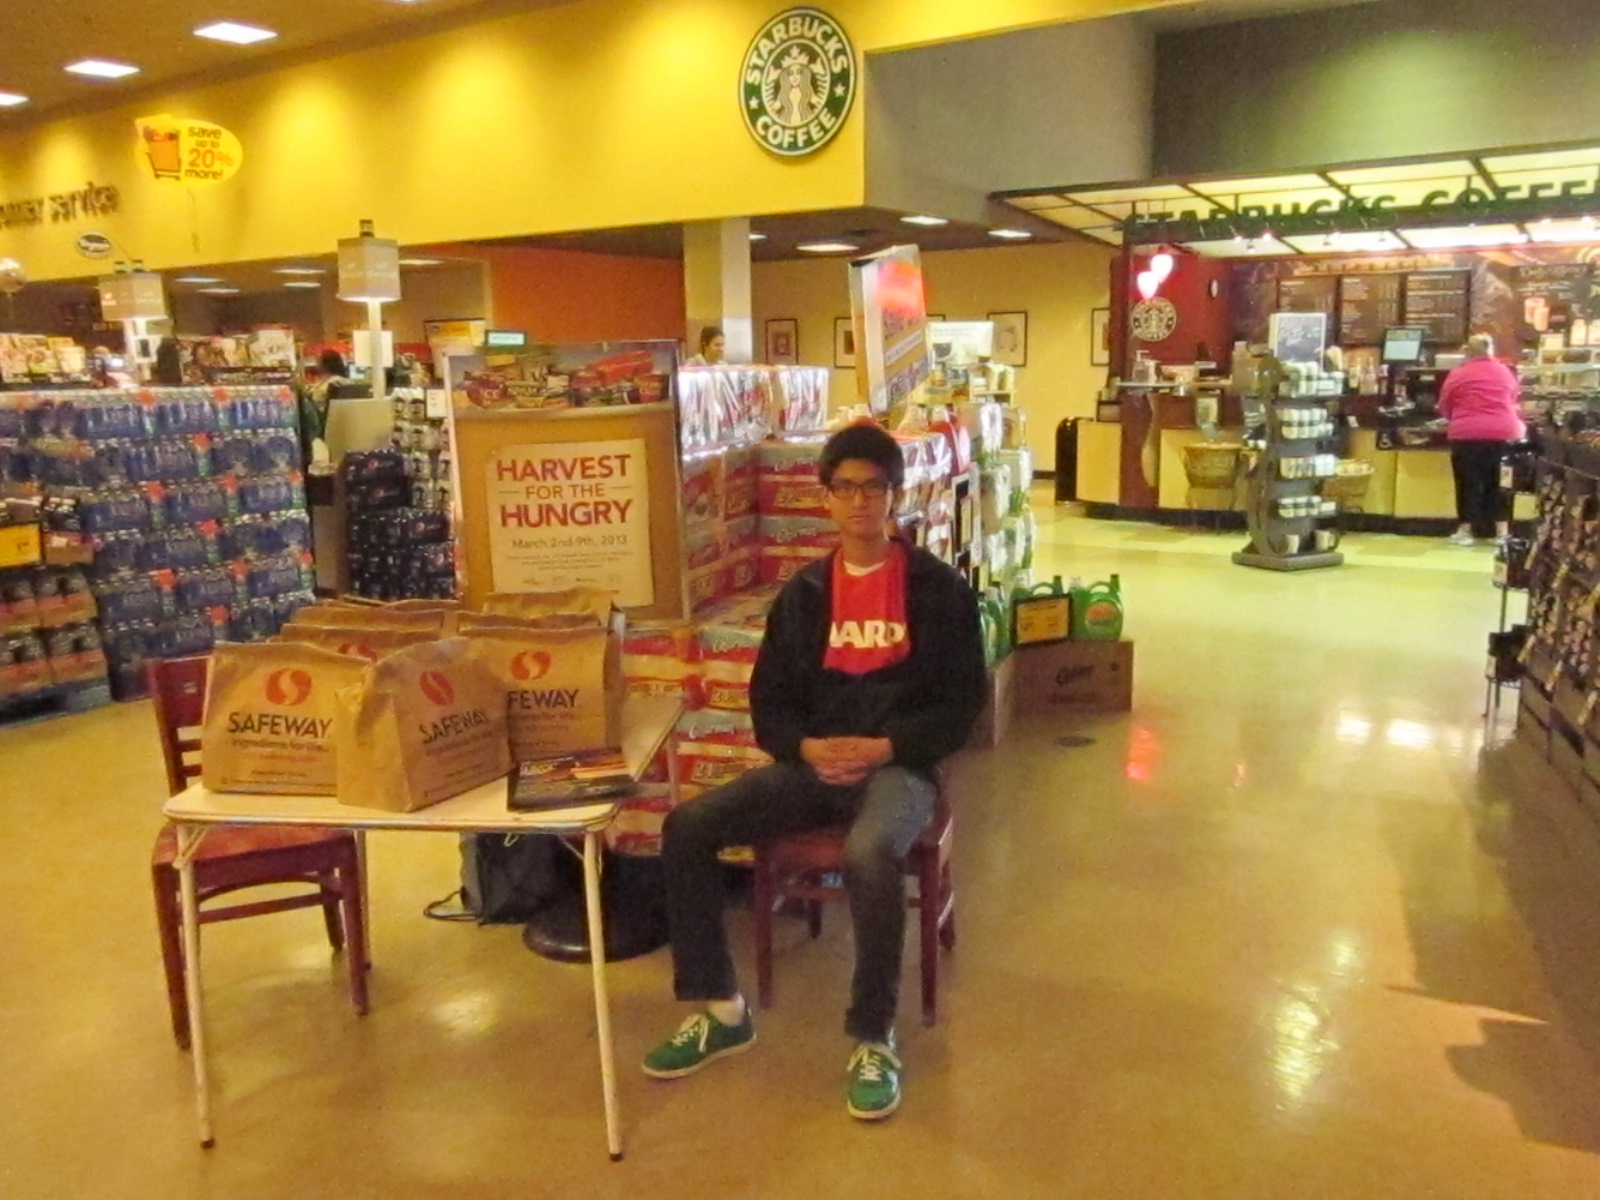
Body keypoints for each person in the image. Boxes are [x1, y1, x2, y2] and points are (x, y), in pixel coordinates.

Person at [641, 422, 987, 1121]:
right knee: (687, 826)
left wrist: (887, 748)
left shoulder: (938, 590)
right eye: (845, 488)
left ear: (894, 495)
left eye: (873, 487)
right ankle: (720, 1008)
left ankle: (872, 1036)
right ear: (826, 499)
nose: (859, 501)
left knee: (869, 852)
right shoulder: (803, 596)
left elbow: (964, 703)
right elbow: (769, 702)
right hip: (814, 766)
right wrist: (805, 749)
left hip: (901, 768)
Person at [1438, 333, 1524, 546]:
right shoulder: (1505, 372)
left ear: (1468, 351)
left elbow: (1444, 406)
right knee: (1501, 483)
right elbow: (1513, 399)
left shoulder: (1458, 374)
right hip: (1504, 433)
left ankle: (1466, 530)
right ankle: (1502, 533)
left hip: (1467, 434)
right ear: (1491, 350)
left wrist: (1457, 417)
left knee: (1468, 482)